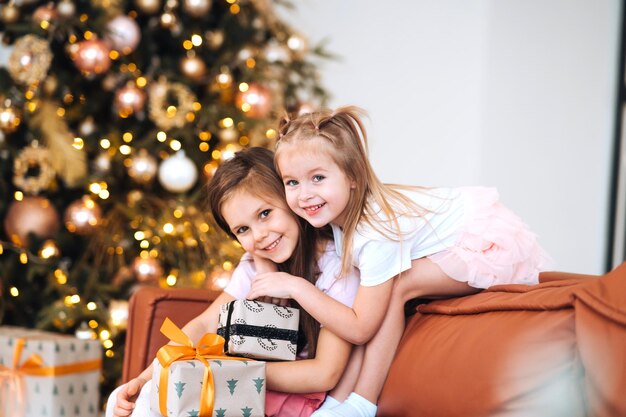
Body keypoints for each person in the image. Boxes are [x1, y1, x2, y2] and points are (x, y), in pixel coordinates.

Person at [246, 106, 552, 417]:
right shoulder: (338, 217)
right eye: (292, 182)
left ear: (352, 176)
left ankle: (363, 403)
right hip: (457, 237)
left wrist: (296, 287)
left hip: (489, 245)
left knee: (399, 282)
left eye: (318, 178)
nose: (304, 194)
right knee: (375, 289)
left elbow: (361, 327)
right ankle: (338, 403)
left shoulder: (374, 231)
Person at [106, 147, 360, 417]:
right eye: (243, 229)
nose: (260, 235)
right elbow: (205, 323)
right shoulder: (254, 264)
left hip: (291, 396)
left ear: (289, 198)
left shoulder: (337, 267)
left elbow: (325, 373)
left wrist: (228, 372)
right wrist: (147, 377)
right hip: (245, 387)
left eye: (265, 213)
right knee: (130, 399)